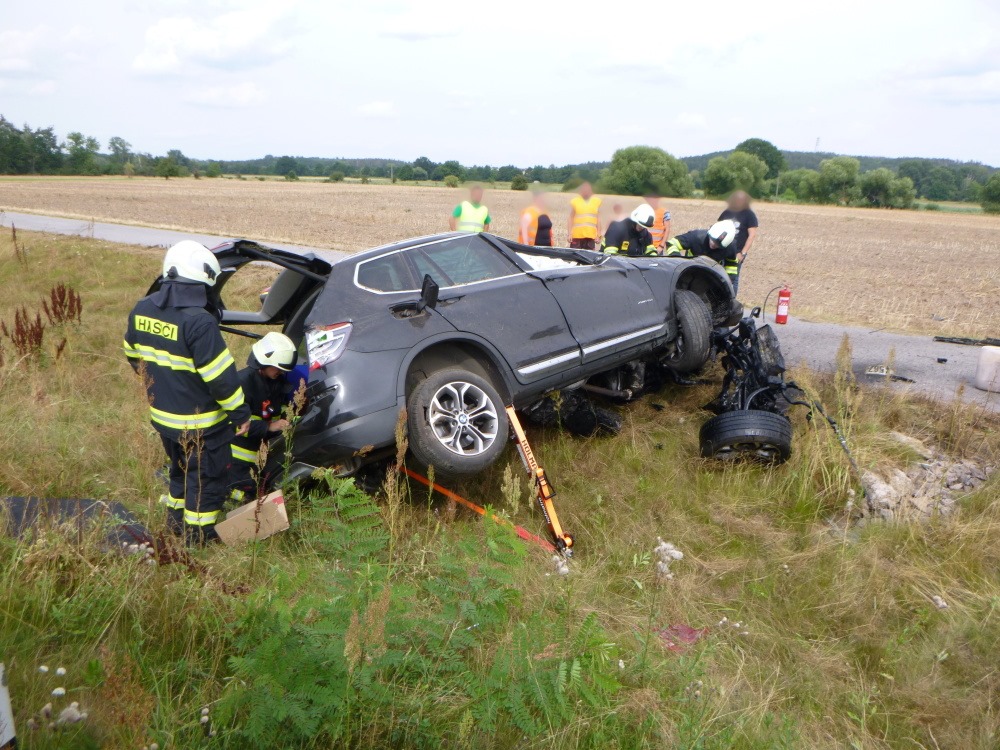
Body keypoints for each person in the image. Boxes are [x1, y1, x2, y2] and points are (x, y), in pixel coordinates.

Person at [124, 241, 250, 545]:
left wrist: (163, 384)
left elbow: (133, 354)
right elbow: (221, 378)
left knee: (180, 474)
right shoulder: (199, 322)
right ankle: (198, 537)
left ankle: (175, 524)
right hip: (202, 425)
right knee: (205, 479)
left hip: (164, 419)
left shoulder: (142, 308)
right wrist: (240, 414)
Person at [228, 332, 295, 502]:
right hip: (233, 456)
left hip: (256, 455)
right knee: (243, 496)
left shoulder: (275, 383)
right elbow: (233, 422)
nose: (280, 372)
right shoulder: (242, 383)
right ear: (263, 361)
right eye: (277, 368)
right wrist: (269, 427)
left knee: (258, 491)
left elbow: (274, 410)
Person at [664, 220, 739, 281]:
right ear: (710, 233)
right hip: (688, 272)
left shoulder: (730, 247)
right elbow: (671, 243)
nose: (713, 245)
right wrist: (678, 260)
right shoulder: (695, 237)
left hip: (710, 276)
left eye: (718, 245)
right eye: (712, 240)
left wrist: (729, 280)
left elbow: (732, 263)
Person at [717, 191, 759, 295]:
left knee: (733, 280)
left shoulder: (749, 215)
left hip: (737, 253)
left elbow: (752, 235)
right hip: (722, 250)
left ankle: (731, 304)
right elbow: (717, 229)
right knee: (718, 276)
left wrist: (743, 253)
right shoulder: (726, 213)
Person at [568, 182, 602, 250]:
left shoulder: (596, 202)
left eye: (587, 190)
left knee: (589, 258)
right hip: (576, 236)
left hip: (590, 236)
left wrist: (598, 235)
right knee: (575, 258)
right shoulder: (575, 201)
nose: (585, 191)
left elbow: (598, 220)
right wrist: (569, 234)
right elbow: (570, 218)